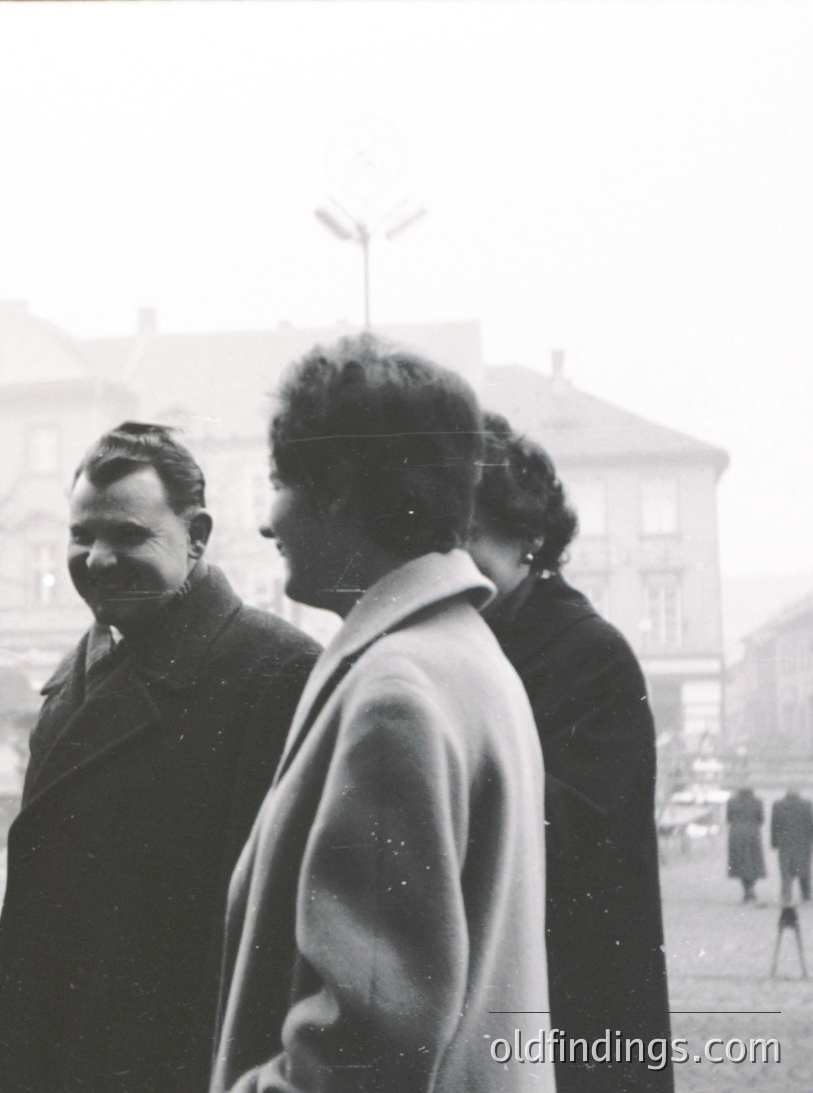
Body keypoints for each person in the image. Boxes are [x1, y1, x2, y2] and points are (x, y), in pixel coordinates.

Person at [212, 335, 554, 1093]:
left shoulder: (394, 691)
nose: (268, 521)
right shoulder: (467, 656)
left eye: (279, 483)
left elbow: (363, 1048)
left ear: (336, 490)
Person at [0, 423, 319, 1093]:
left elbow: (264, 934)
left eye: (127, 535)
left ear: (196, 535)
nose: (97, 559)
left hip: (164, 1063)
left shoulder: (275, 672)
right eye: (81, 535)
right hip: (53, 1053)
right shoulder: (83, 666)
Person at [466, 412, 672, 1093]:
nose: (450, 560)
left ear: (529, 536)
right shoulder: (469, 637)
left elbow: (584, 832)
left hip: (580, 1004)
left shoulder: (590, 653)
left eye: (469, 534)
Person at [770, 787, 813, 904]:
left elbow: (774, 825)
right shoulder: (806, 804)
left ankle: (786, 894)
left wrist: (774, 842)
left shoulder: (778, 805)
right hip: (803, 842)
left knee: (786, 869)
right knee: (804, 868)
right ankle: (806, 894)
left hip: (785, 841)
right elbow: (811, 824)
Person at [727, 787, 767, 903]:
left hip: (736, 833)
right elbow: (761, 819)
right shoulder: (757, 802)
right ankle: (751, 888)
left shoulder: (731, 802)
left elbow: (729, 818)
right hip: (752, 833)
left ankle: (746, 890)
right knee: (753, 863)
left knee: (740, 863)